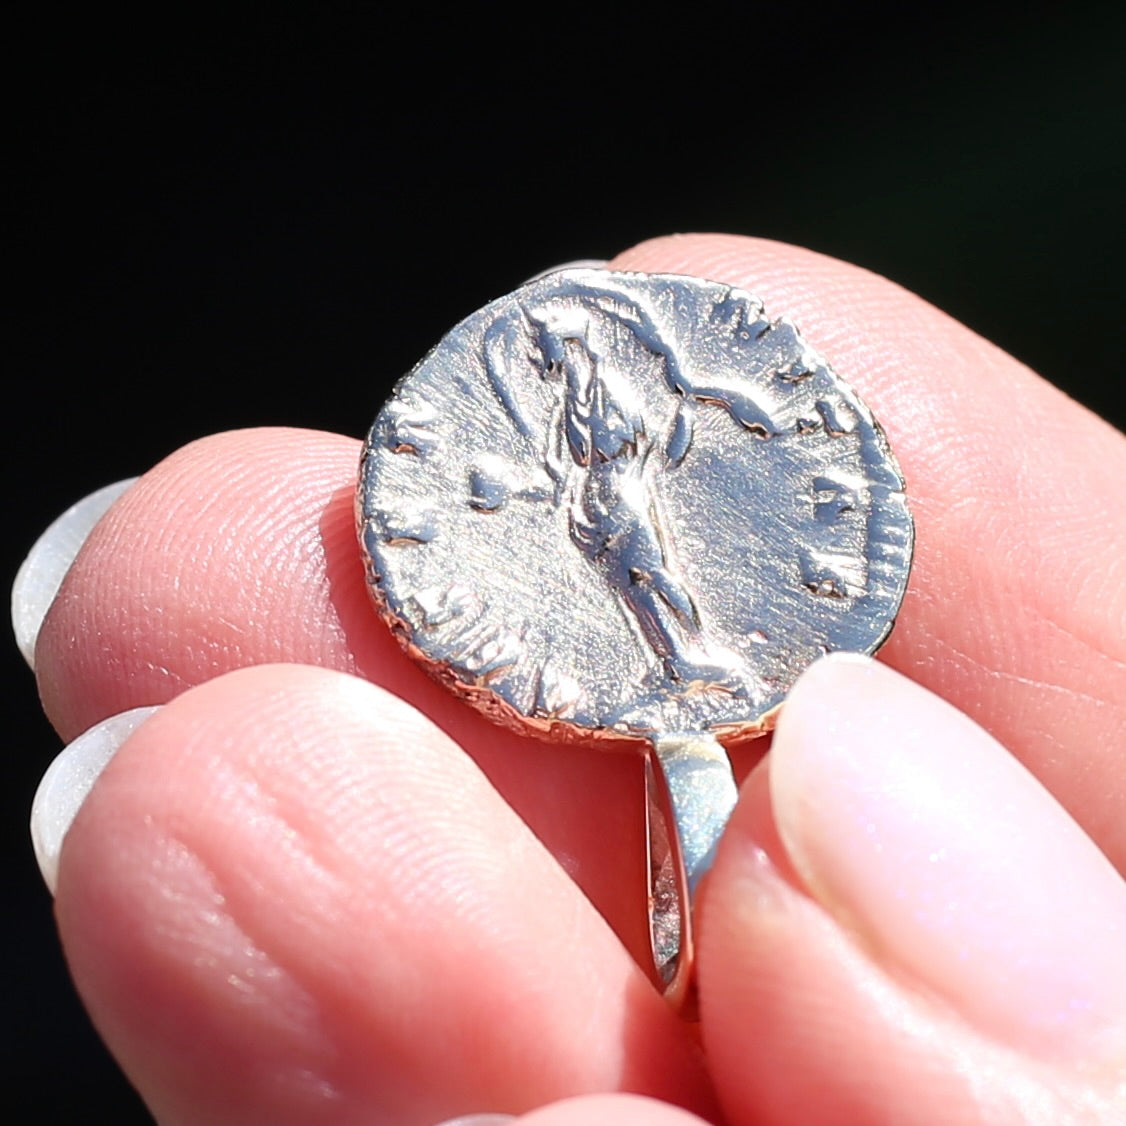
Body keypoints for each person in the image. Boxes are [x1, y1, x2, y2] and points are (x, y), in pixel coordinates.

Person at [19, 234, 1126, 1124]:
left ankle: (683, 656)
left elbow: (679, 400)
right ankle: (682, 657)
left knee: (661, 593)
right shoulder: (584, 413)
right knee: (652, 588)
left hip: (628, 525)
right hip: (611, 519)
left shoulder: (625, 387)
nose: (554, 355)